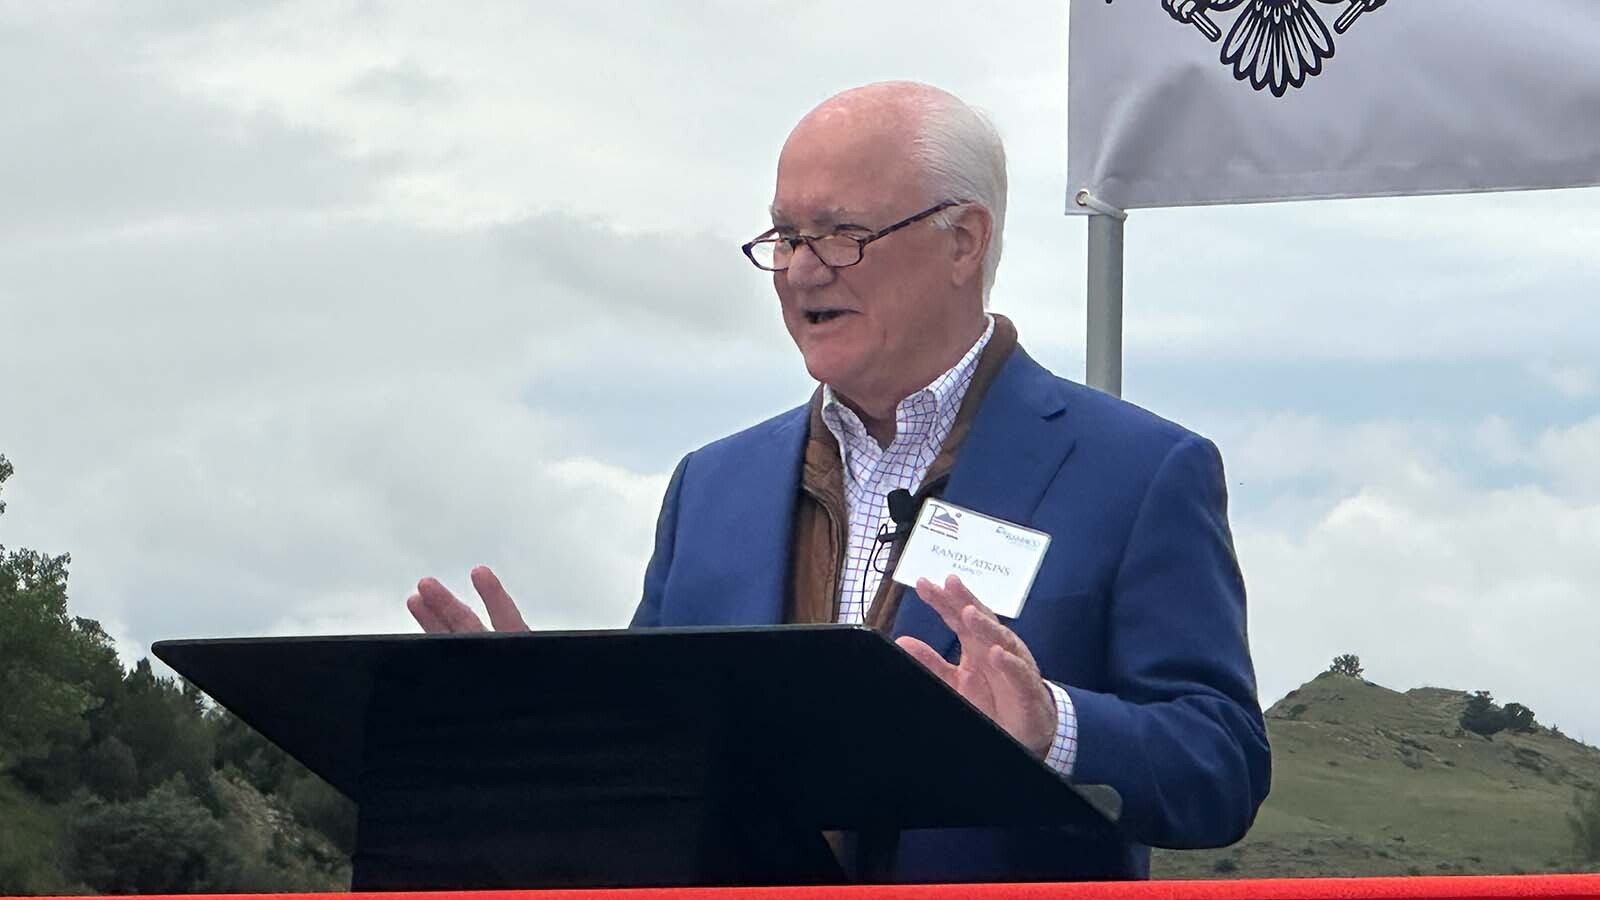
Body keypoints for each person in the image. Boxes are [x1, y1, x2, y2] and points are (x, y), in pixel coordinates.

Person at [407, 81, 1270, 882]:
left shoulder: (1139, 472)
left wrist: (1054, 727)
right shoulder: (710, 489)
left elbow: (1221, 763)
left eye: (840, 234)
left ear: (962, 240)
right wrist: (541, 719)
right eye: (785, 235)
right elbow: (658, 757)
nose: (802, 270)